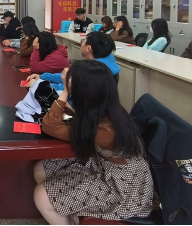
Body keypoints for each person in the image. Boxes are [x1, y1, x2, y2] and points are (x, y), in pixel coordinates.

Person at [33, 60, 155, 224]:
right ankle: (66, 207)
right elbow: (80, 124)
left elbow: (50, 126)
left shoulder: (105, 129)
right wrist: (71, 109)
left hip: (123, 189)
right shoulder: (109, 110)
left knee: (41, 195)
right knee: (40, 169)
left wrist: (66, 92)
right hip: (105, 165)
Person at [27, 31, 120, 91]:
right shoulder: (107, 64)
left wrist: (39, 85)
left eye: (83, 41)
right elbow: (69, 76)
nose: (81, 43)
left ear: (88, 48)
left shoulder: (92, 71)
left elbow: (69, 89)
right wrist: (43, 77)